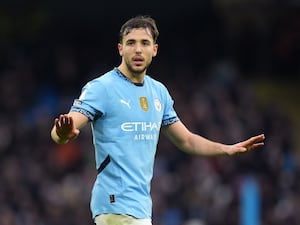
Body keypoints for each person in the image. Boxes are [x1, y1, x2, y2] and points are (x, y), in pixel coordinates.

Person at [50, 15, 265, 225]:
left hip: (141, 206)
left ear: (154, 50)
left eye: (144, 43)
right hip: (114, 204)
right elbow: (65, 126)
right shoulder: (102, 88)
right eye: (131, 43)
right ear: (120, 49)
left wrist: (227, 149)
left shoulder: (158, 92)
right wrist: (62, 134)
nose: (137, 49)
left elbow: (187, 140)